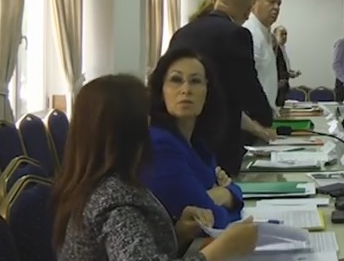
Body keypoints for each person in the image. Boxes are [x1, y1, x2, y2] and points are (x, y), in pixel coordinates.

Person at [52, 74, 258, 261]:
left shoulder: (99, 186)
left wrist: (177, 234)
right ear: (130, 129)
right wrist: (219, 251)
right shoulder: (115, 201)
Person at [167, 0, 275, 176]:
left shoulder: (182, 32)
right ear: (248, 10)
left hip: (183, 130)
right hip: (220, 133)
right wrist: (266, 117)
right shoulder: (237, 34)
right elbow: (247, 86)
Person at [143, 48, 245, 229]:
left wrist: (226, 193)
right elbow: (210, 221)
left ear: (207, 91)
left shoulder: (197, 143)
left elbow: (230, 193)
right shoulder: (158, 145)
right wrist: (225, 195)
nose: (186, 90)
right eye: (176, 80)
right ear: (161, 90)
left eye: (195, 81)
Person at [243, 0, 282, 113]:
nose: (276, 7)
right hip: (254, 115)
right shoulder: (250, 33)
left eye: (279, 3)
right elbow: (247, 82)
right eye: (271, 1)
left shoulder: (266, 33)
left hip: (265, 111)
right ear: (254, 3)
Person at [272, 25, 301, 106]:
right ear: (275, 35)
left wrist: (291, 72)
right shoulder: (275, 49)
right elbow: (277, 70)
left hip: (283, 85)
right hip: (277, 86)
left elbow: (284, 67)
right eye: (282, 34)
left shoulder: (283, 49)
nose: (284, 36)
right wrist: (289, 74)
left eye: (286, 34)